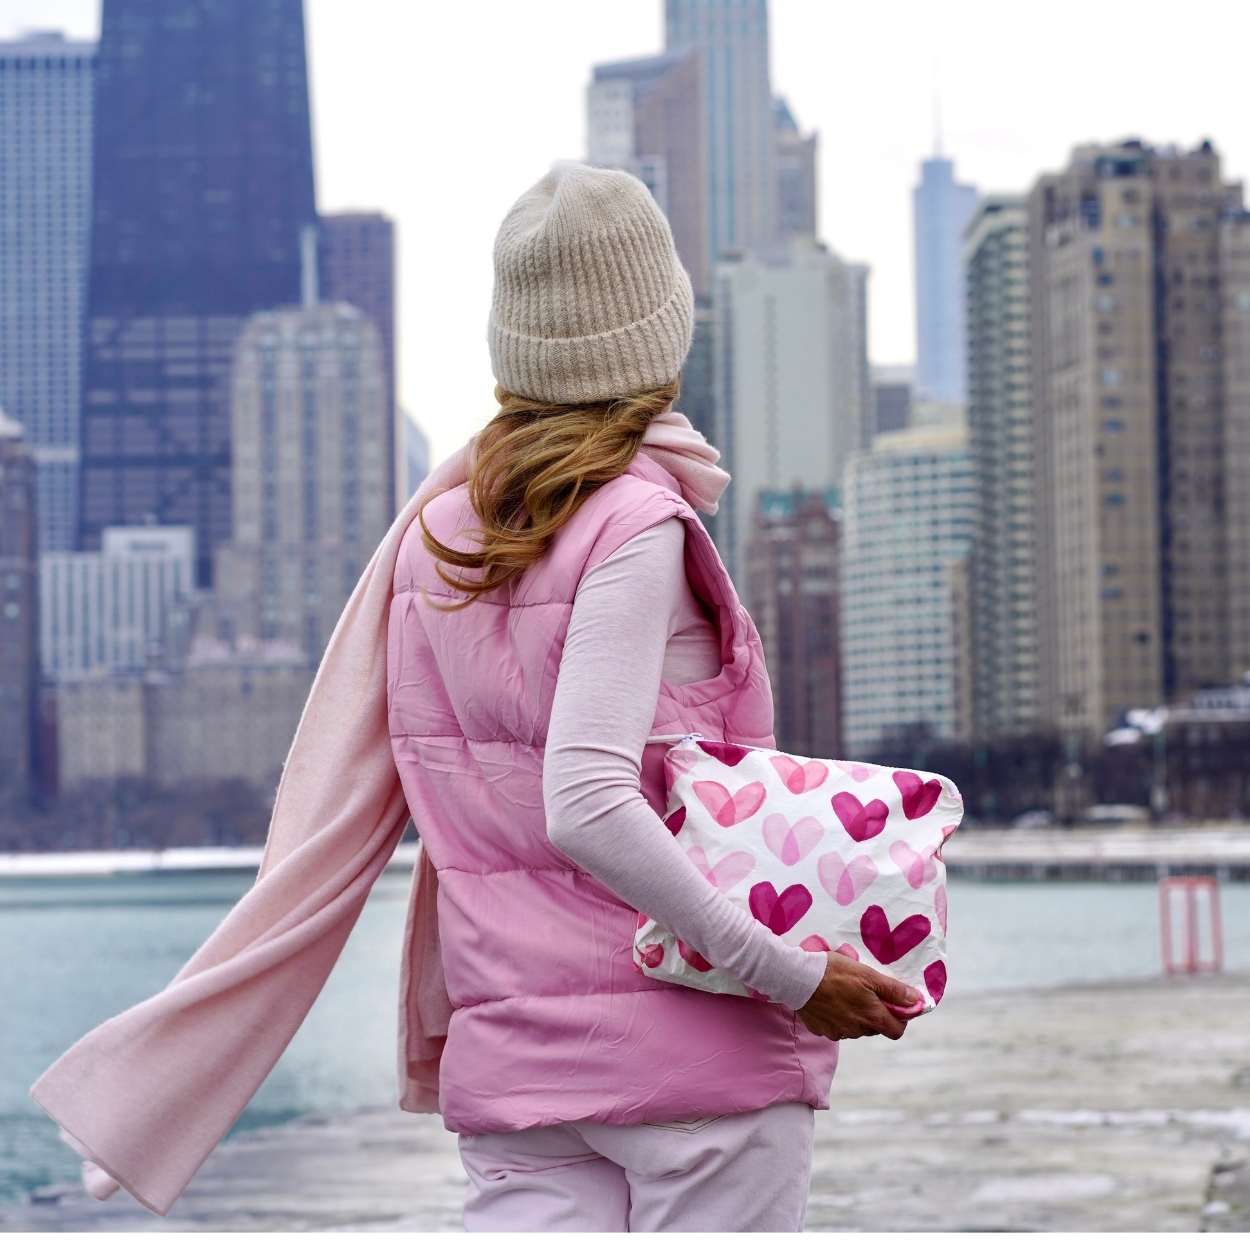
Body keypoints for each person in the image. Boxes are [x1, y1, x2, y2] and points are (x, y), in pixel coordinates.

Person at [27, 161, 920, 1233]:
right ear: (657, 334)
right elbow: (584, 801)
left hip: (519, 1084)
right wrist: (788, 973)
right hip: (695, 1074)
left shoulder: (434, 533)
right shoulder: (633, 524)